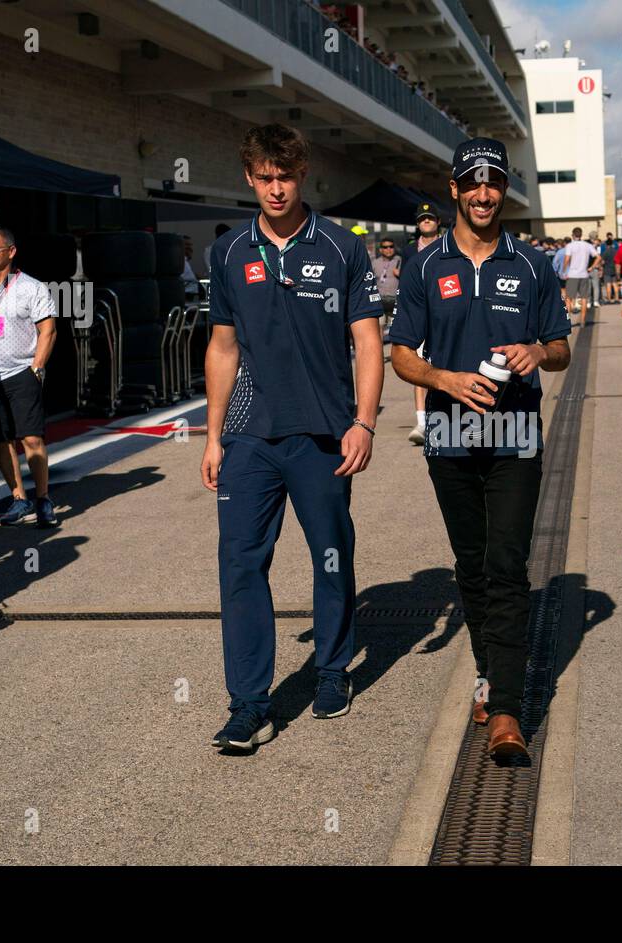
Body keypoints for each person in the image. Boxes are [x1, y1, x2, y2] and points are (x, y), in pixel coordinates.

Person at [202, 124, 385, 752]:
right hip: (251, 437)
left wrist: (363, 420)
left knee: (331, 556)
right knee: (240, 567)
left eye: (285, 177)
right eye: (263, 177)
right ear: (249, 179)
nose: (275, 189)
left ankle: (333, 670)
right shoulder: (228, 253)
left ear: (301, 176)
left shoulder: (341, 246)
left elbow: (367, 340)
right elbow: (222, 347)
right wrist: (213, 435)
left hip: (326, 433)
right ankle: (249, 705)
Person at [389, 137, 571, 759]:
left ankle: (507, 712)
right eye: (474, 183)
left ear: (504, 191)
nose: (484, 193)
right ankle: (489, 670)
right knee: (471, 567)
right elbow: (402, 356)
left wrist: (538, 352)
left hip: (517, 431)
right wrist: (444, 379)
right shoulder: (424, 266)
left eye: (494, 183)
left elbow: (561, 345)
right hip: (450, 432)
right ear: (456, 189)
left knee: (507, 566)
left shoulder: (531, 265)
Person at [0, 227, 61, 526]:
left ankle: (43, 498)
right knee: (1, 441)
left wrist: (37, 368)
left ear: (11, 251)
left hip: (22, 372)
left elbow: (49, 330)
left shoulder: (31, 287)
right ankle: (19, 498)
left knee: (31, 437)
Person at [403, 204, 444, 445]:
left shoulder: (449, 246)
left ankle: (442, 417)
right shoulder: (409, 251)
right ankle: (422, 421)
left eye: (430, 218)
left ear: (437, 221)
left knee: (441, 365)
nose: (426, 222)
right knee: (418, 367)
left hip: (443, 313)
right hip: (419, 313)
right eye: (422, 219)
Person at [560, 227, 600, 327]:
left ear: (573, 235)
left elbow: (566, 260)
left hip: (572, 275)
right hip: (584, 274)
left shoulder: (570, 246)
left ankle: (567, 322)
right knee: (584, 298)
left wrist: (564, 272)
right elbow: (598, 257)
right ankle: (582, 320)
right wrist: (591, 267)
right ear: (581, 235)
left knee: (569, 298)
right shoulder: (587, 245)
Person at [373, 236, 401, 342]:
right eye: (385, 247)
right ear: (380, 249)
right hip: (380, 300)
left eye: (391, 246)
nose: (388, 249)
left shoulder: (400, 260)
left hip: (395, 300)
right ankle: (380, 356)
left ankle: (396, 356)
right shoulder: (375, 263)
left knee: (396, 329)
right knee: (379, 328)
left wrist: (400, 274)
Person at [601, 233, 620, 303]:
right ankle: (617, 299)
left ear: (606, 244)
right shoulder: (616, 251)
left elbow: (602, 262)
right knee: (615, 284)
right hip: (614, 269)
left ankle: (609, 299)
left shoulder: (605, 252)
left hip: (607, 269)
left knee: (608, 285)